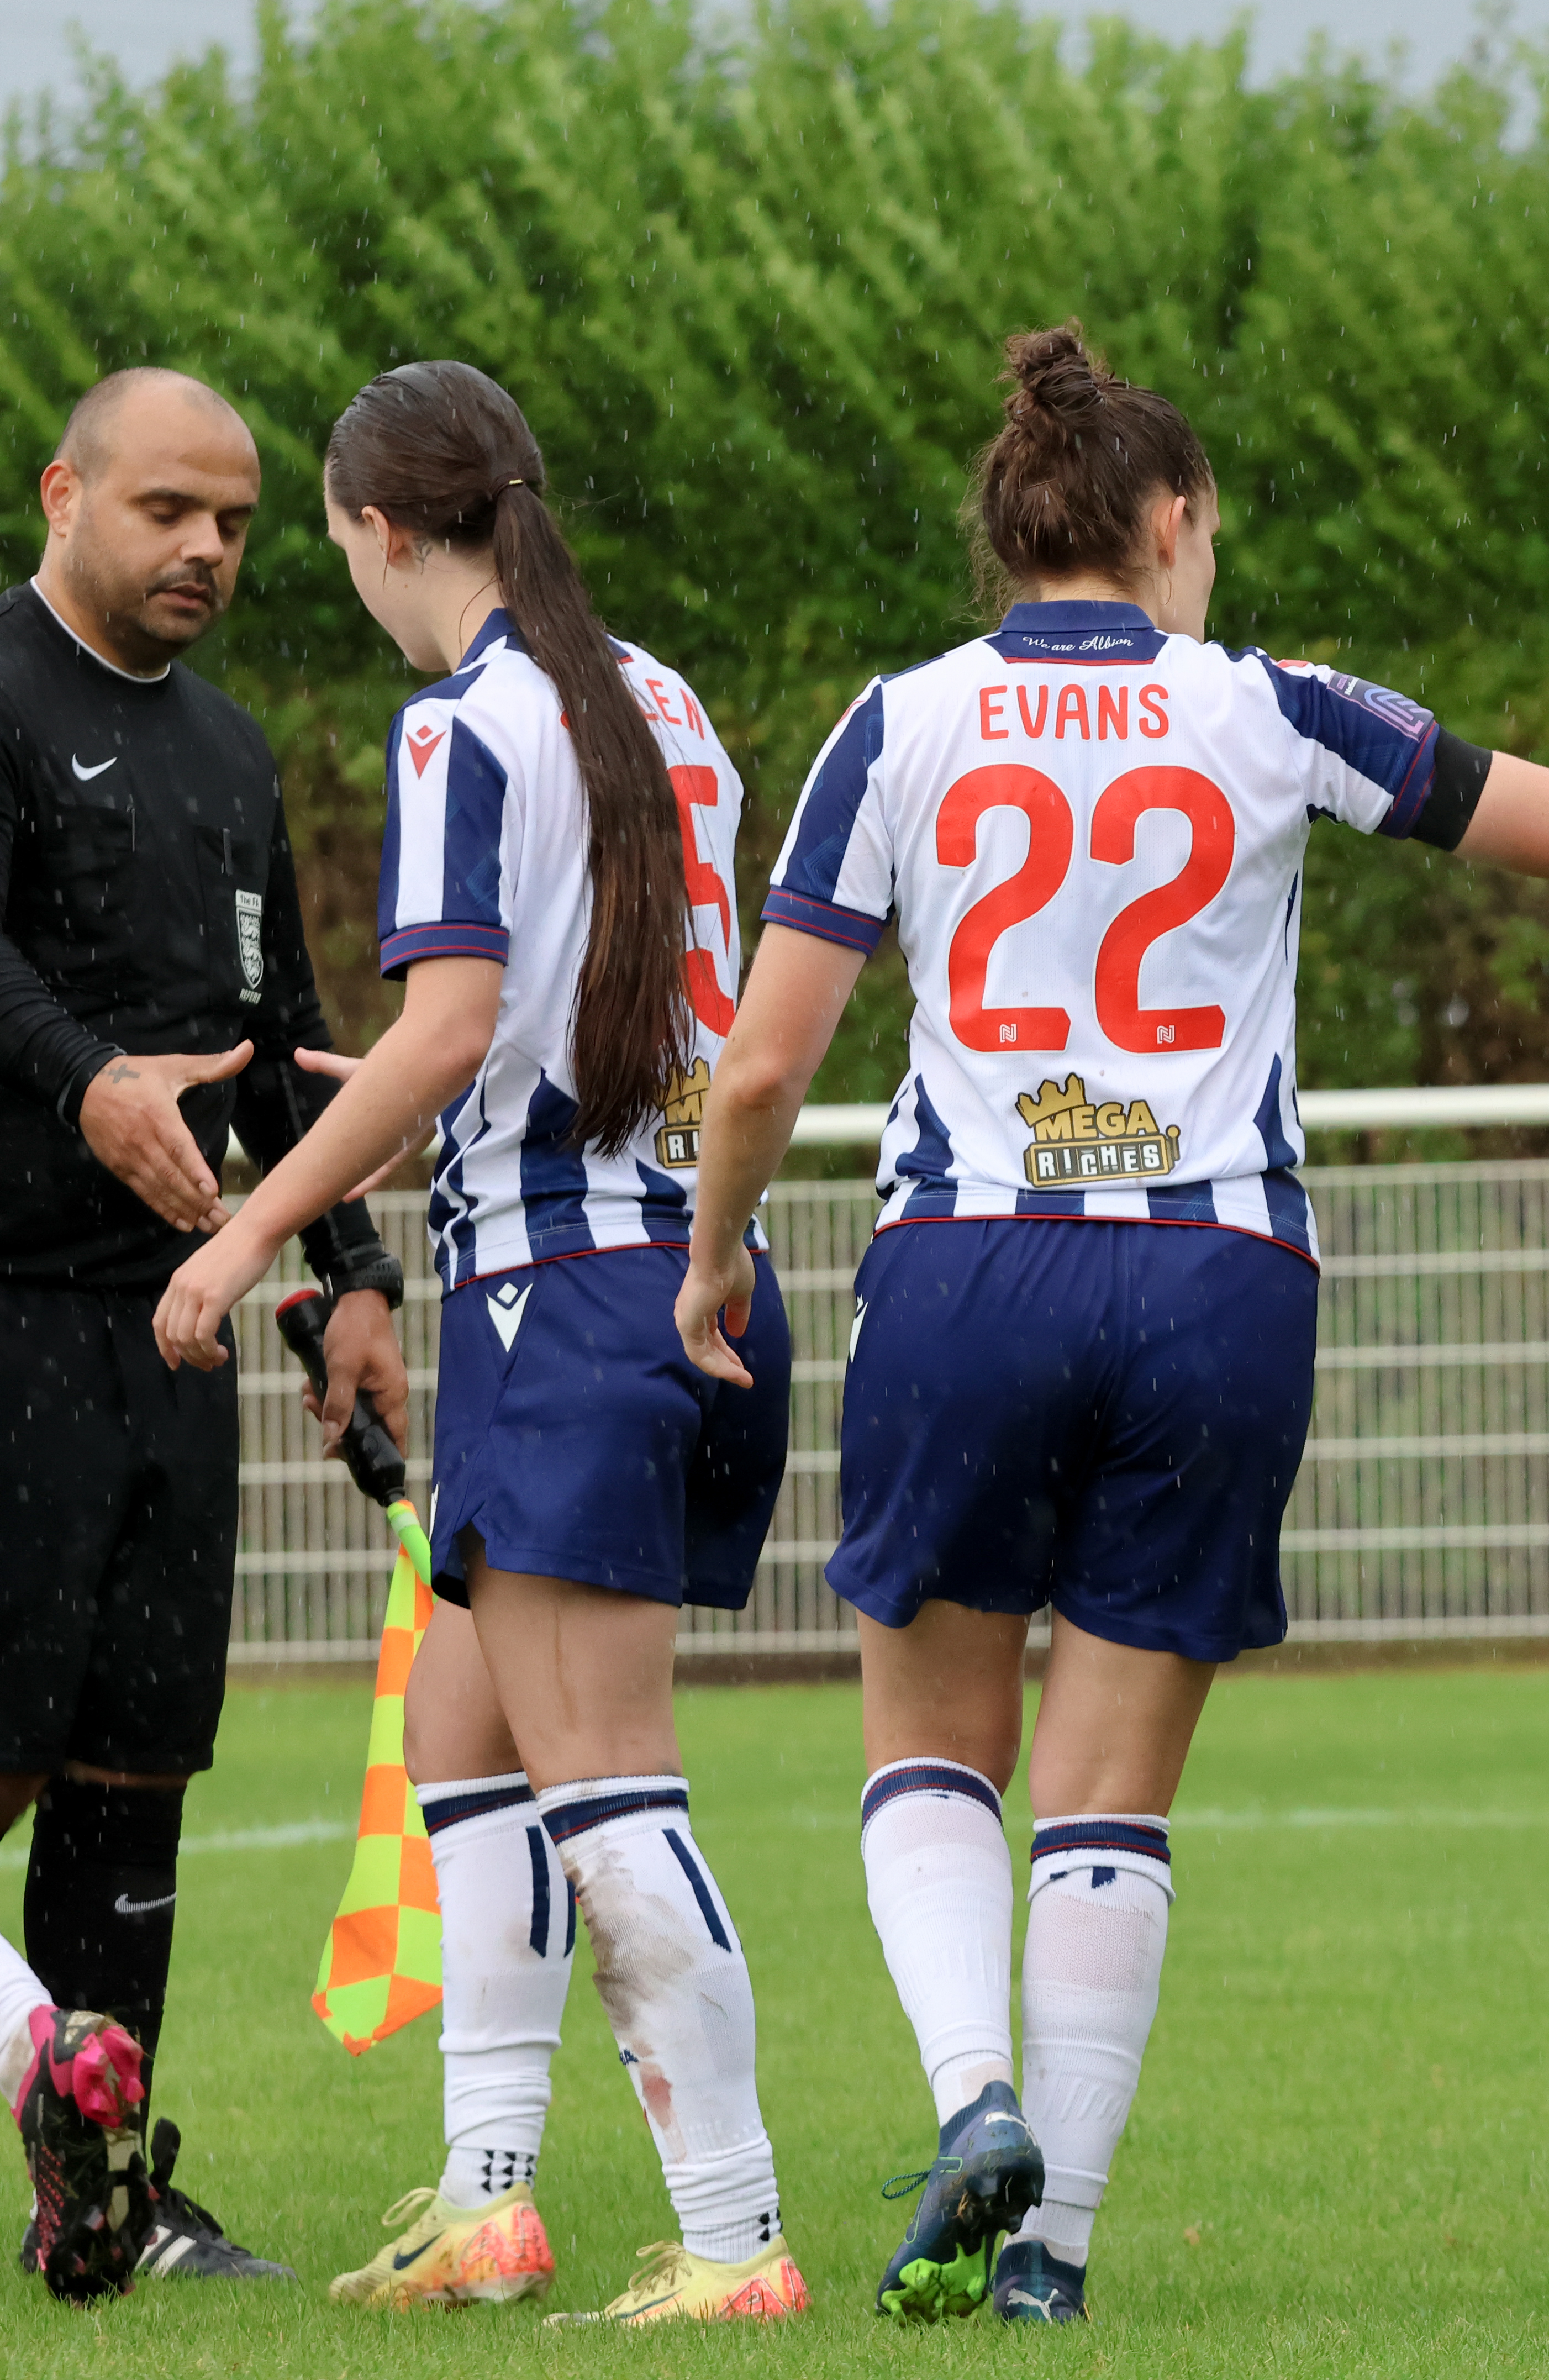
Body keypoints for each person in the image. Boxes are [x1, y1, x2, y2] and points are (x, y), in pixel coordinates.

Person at [674, 324, 1549, 2328]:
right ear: (1175, 524)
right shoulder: (1275, 708)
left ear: (1011, 533)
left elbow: (768, 1065)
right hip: (1222, 1274)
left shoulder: (905, 720)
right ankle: (1050, 2257)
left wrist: (712, 1256)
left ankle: (975, 2102)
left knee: (929, 1737)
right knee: (1110, 1787)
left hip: (973, 1257)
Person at [152, 361, 803, 2326]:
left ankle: (739, 2233)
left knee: (611, 1788)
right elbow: (564, 1028)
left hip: (568, 1300)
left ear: (373, 528)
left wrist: (256, 1224)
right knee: (467, 1735)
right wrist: (430, 1080)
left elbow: (453, 1035)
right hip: (681, 1271)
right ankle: (492, 2199)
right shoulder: (661, 699)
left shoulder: (463, 721)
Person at [2, 367, 410, 2299]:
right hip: (3, 1316)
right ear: (67, 491)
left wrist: (348, 1277)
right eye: (169, 510)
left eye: (239, 524)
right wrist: (84, 1081)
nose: (208, 552)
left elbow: (286, 1046)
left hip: (172, 1340)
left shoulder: (234, 757)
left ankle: (103, 2190)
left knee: (132, 1770)